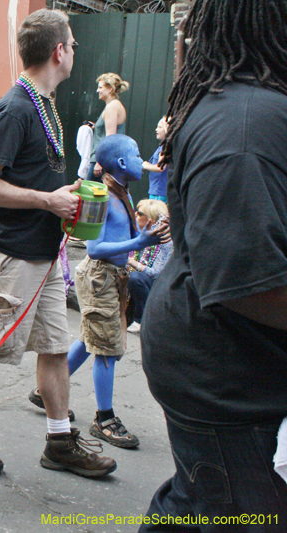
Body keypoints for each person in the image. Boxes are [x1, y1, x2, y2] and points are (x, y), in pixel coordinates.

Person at [0, 8, 116, 479]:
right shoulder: (15, 107)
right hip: (9, 255)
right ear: (58, 51)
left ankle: (59, 443)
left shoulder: (45, 101)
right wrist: (46, 200)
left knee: (54, 347)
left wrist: (66, 197)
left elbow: (35, 175)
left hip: (43, 254)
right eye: (72, 43)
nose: (75, 50)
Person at [140, 0, 287, 528]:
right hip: (222, 373)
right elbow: (246, 282)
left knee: (204, 501)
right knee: (230, 512)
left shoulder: (256, 107)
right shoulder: (245, 126)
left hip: (230, 360)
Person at [64, 135, 169, 450]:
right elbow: (95, 249)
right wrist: (138, 244)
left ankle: (48, 389)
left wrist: (147, 234)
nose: (142, 160)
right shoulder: (103, 199)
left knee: (91, 339)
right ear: (122, 163)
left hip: (114, 277)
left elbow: (128, 233)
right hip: (100, 276)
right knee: (107, 348)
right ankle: (104, 419)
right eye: (137, 154)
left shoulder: (122, 192)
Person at [126, 199, 170, 334]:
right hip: (136, 277)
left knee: (135, 278)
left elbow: (156, 274)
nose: (135, 215)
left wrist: (131, 262)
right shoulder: (136, 233)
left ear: (150, 219)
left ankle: (141, 319)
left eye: (139, 214)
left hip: (156, 285)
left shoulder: (164, 239)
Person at [88, 73, 129, 180]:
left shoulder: (112, 107)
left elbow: (110, 138)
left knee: (89, 195)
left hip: (102, 162)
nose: (97, 90)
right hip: (107, 161)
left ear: (110, 89)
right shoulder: (114, 105)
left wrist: (100, 162)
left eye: (100, 87)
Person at [142, 116, 167, 202]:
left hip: (159, 191)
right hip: (157, 190)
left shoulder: (165, 147)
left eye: (160, 127)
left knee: (156, 215)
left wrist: (145, 165)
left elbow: (160, 167)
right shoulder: (163, 146)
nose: (156, 129)